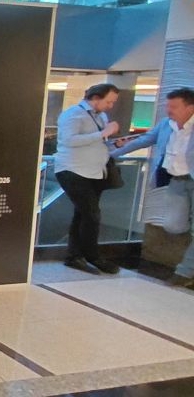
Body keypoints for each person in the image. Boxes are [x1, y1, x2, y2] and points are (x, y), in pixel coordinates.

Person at [111, 88, 194, 287]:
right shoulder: (166, 124)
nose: (168, 110)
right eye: (168, 105)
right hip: (176, 181)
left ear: (190, 108)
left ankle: (184, 272)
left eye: (174, 106)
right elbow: (144, 140)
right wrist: (110, 154)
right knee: (173, 225)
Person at [54, 84, 121, 275]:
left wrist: (112, 142)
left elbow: (96, 141)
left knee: (83, 214)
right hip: (73, 170)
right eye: (108, 101)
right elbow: (69, 140)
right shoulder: (73, 114)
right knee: (92, 214)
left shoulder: (101, 116)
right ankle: (93, 256)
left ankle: (74, 256)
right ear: (96, 98)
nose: (110, 106)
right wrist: (103, 133)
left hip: (95, 172)